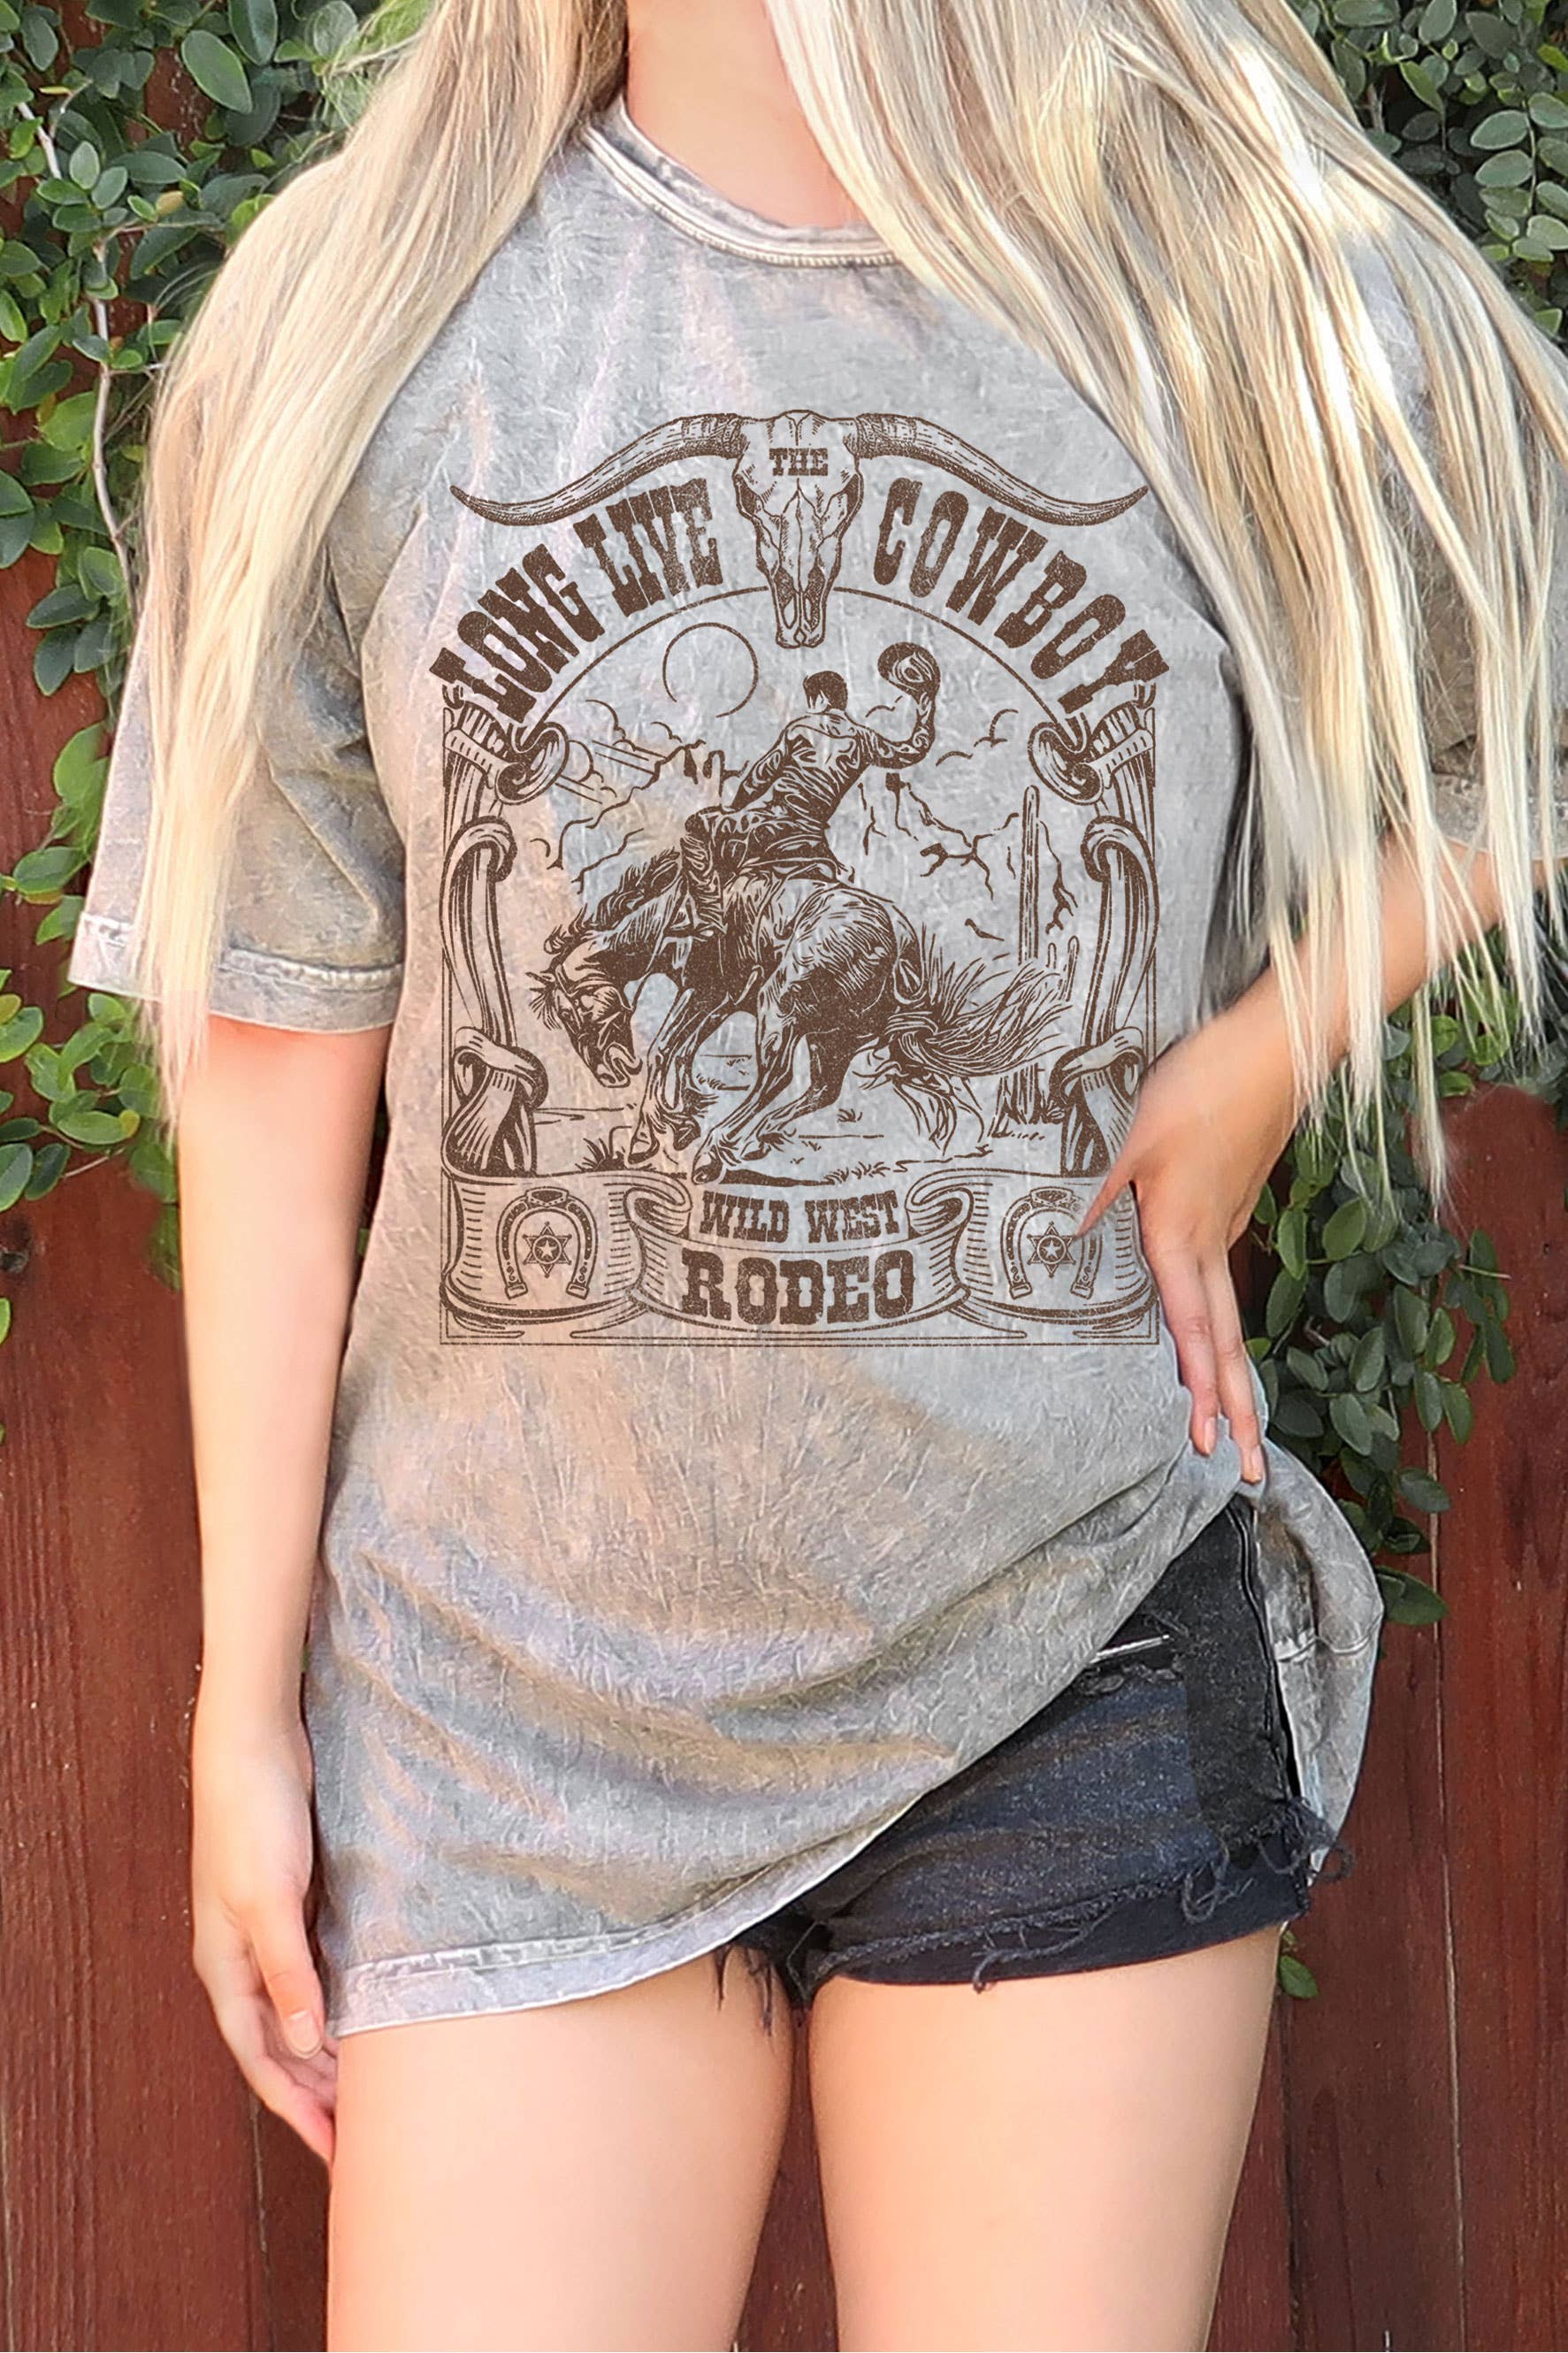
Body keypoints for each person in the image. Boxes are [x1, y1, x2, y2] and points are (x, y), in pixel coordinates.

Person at [66, 0, 1568, 2344]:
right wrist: (240, 1706)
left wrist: (1275, 1043)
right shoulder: (365, 308)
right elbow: (273, 1044)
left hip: (1063, 1630)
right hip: (505, 1701)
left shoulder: (1198, 264)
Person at [671, 644, 937, 939]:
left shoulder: (800, 728)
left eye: (811, 700)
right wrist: (926, 706)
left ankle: (709, 917)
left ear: (820, 698)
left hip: (771, 825)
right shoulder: (865, 740)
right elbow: (911, 751)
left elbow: (759, 777)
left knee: (695, 828)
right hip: (812, 838)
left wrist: (735, 808)